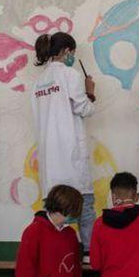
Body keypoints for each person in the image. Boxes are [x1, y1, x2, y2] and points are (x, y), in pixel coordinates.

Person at [32, 31, 97, 258]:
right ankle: (89, 252)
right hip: (70, 153)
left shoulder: (39, 81)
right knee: (85, 206)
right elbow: (83, 108)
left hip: (50, 157)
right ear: (68, 51)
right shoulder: (71, 74)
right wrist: (90, 92)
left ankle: (58, 253)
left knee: (55, 209)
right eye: (73, 53)